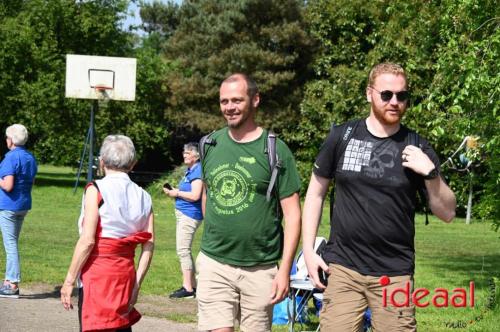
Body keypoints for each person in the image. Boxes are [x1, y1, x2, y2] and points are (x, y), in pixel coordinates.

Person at [302, 63, 456, 331]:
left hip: (394, 272)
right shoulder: (342, 137)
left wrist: (431, 173)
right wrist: (307, 251)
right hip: (344, 268)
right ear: (369, 93)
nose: (394, 102)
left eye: (402, 96)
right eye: (386, 95)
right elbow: (315, 193)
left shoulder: (417, 146)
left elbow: (448, 213)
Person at [197, 73, 301, 332]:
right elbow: (208, 193)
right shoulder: (210, 144)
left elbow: (293, 214)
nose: (229, 107)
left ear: (255, 100)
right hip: (214, 263)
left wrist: (285, 270)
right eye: (224, 101)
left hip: (261, 267)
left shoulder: (276, 150)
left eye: (236, 100)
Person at [60, 135, 154, 332]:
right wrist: (136, 285)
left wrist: (69, 281)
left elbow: (87, 241)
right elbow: (149, 244)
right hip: (125, 274)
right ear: (133, 163)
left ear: (102, 162)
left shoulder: (96, 189)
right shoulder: (144, 196)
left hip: (98, 274)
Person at [0, 124, 37, 298]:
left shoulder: (10, 158)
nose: (6, 140)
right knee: (12, 242)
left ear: (12, 140)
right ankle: (9, 281)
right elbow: (32, 181)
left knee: (10, 245)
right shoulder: (30, 157)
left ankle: (12, 284)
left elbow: (7, 185)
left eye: (7, 137)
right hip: (23, 205)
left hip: (9, 207)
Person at [163, 142, 203, 298]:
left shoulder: (197, 171)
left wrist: (176, 193)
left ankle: (188, 289)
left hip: (190, 215)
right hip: (185, 214)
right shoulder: (190, 171)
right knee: (184, 250)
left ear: (196, 155)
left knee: (183, 250)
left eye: (188, 152)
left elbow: (195, 195)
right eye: (184, 152)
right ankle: (192, 286)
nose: (184, 154)